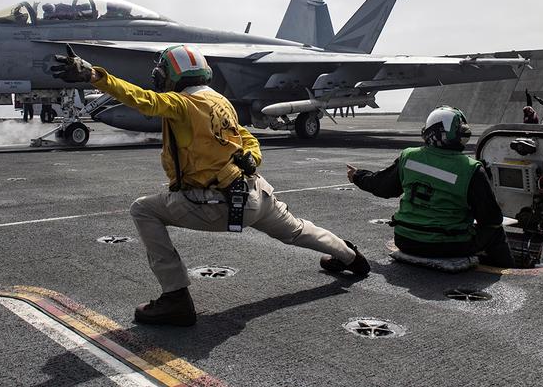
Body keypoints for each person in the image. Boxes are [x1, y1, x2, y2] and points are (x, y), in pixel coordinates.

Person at [52, 44, 370, 327]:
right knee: (297, 229)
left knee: (143, 210)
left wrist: (93, 74)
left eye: (162, 72)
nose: (158, 77)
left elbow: (144, 100)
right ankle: (351, 257)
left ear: (175, 75)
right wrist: (252, 159)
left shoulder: (181, 103)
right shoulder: (220, 101)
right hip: (255, 193)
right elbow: (247, 140)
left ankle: (175, 298)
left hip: (215, 204)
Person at [346, 105, 514, 268]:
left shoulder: (408, 156)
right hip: (449, 246)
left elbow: (381, 186)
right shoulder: (470, 168)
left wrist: (357, 176)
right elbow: (491, 218)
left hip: (406, 240)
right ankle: (510, 271)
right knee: (495, 231)